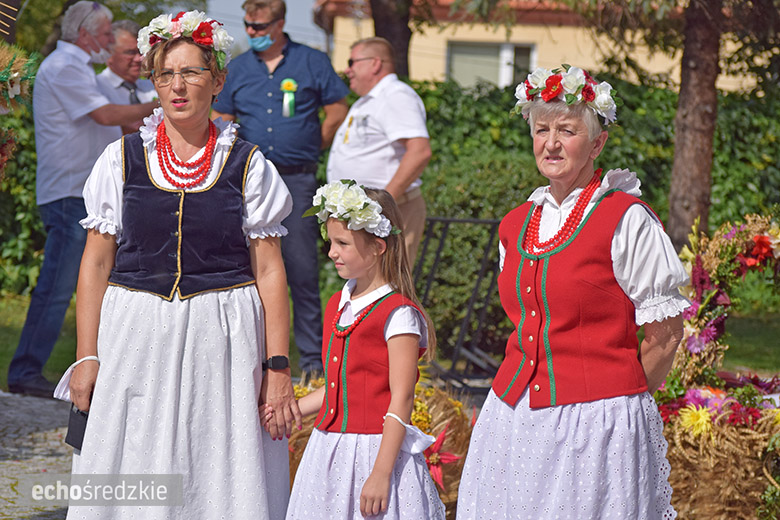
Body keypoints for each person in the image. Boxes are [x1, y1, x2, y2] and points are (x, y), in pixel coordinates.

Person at [65, 11, 301, 519]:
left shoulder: (249, 164)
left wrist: (277, 367)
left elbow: (270, 271)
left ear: (217, 80)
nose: (177, 86)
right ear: (153, 80)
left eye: (191, 72)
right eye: (165, 74)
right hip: (135, 335)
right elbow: (95, 263)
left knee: (214, 465)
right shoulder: (121, 158)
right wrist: (87, 356)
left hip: (224, 340)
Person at [456, 65, 689, 519]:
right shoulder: (516, 223)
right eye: (542, 130)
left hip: (596, 424)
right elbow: (527, 320)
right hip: (514, 414)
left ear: (597, 143)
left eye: (568, 130)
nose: (552, 143)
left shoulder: (627, 218)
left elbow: (666, 334)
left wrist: (622, 402)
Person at [8, 0, 157, 398]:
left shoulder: (76, 68)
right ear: (86, 34)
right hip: (70, 191)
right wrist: (167, 103)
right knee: (58, 287)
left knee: (82, 285)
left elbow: (119, 118)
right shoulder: (65, 67)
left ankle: (43, 368)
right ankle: (25, 371)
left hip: (76, 191)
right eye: (107, 35)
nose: (109, 44)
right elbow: (107, 117)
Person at [271, 181, 445, 519]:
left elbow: (402, 399)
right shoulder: (340, 302)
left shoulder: (399, 314)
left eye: (342, 244)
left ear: (378, 247)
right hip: (329, 449)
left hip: (375, 451)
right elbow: (339, 388)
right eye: (331, 242)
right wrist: (289, 410)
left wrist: (381, 473)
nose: (332, 252)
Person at [211, 0, 349, 375]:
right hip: (247, 180)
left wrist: (313, 141)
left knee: (302, 268)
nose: (252, 33)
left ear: (281, 22)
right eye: (248, 26)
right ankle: (252, 357)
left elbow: (337, 107)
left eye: (260, 26)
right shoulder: (237, 68)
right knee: (247, 267)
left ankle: (312, 361)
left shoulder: (311, 61)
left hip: (297, 177)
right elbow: (222, 115)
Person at [326, 37, 431, 262]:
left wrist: (382, 205)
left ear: (375, 63)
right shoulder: (370, 100)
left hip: (390, 211)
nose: (347, 69)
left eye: (352, 61)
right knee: (368, 288)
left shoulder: (395, 95)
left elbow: (419, 151)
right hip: (370, 214)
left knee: (389, 287)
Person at [96, 19, 157, 137]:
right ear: (108, 54)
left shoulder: (152, 87)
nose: (138, 59)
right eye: (130, 52)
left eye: (140, 52)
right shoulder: (95, 88)